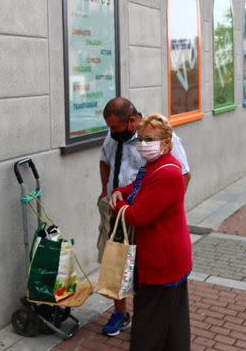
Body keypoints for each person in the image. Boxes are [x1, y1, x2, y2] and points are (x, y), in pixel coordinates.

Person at [96, 97, 190, 337]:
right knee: (115, 261)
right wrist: (106, 190)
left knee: (140, 267)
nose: (111, 131)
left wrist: (164, 208)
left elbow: (183, 174)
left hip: (142, 214)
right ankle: (120, 313)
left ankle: (146, 313)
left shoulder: (158, 137)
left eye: (115, 127)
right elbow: (104, 160)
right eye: (109, 127)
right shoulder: (114, 135)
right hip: (118, 207)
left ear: (131, 121)